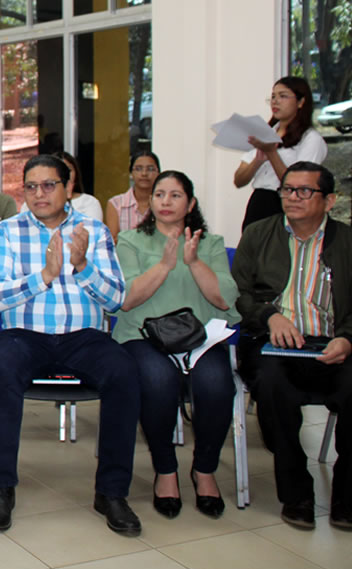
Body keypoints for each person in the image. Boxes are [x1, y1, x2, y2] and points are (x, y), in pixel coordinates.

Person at [0, 154, 141, 535]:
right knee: (2, 371)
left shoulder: (94, 230)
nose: (39, 194)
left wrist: (82, 265)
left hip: (83, 337)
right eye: (31, 186)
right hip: (25, 336)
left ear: (68, 188)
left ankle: (112, 492)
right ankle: (1, 488)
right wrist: (44, 276)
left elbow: (116, 298)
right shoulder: (8, 231)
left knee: (123, 372)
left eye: (49, 185)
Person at [232, 161, 352, 531]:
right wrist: (269, 316)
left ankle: (346, 498)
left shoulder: (346, 241)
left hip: (332, 345)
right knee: (271, 389)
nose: (292, 198)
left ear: (329, 200)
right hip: (272, 345)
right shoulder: (258, 233)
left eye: (304, 191)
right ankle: (297, 492)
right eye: (287, 190)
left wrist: (347, 337)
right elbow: (238, 293)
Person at [115, 170, 240, 520]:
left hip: (199, 339)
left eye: (175, 195)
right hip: (143, 336)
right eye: (159, 195)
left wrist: (193, 261)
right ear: (150, 201)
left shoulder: (210, 244)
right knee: (157, 382)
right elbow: (126, 300)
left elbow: (224, 299)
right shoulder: (130, 240)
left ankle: (204, 470)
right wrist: (166, 266)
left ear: (191, 203)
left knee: (217, 385)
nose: (166, 202)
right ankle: (165, 470)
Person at [234, 77, 329, 231]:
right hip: (258, 203)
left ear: (300, 102)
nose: (275, 101)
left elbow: (298, 185)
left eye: (283, 96)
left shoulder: (311, 139)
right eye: (273, 97)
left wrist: (271, 153)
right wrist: (258, 161)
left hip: (287, 206)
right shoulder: (265, 133)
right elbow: (238, 180)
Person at [105, 151, 160, 243]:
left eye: (150, 169)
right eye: (138, 169)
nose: (144, 173)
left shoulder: (163, 204)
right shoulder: (116, 203)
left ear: (158, 173)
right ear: (130, 173)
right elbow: (113, 241)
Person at [54, 150, 103, 221]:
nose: (65, 175)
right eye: (59, 171)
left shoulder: (89, 202)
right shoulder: (42, 202)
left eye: (69, 170)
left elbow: (93, 230)